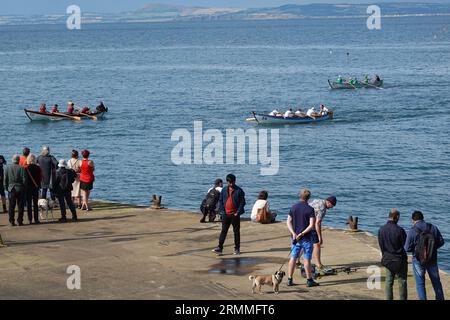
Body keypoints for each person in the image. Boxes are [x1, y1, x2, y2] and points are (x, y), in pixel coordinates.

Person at [404, 211, 445, 300]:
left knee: (420, 284)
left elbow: (406, 248)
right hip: (432, 259)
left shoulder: (412, 230)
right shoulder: (433, 227)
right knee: (436, 282)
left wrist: (416, 251)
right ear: (423, 218)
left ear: (413, 220)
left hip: (418, 260)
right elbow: (441, 241)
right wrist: (432, 249)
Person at [286, 188, 319, 287]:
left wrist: (294, 233)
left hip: (295, 238)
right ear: (309, 198)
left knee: (293, 257)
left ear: (300, 196)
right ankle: (309, 280)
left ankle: (289, 279)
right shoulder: (310, 209)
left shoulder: (293, 207)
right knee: (307, 259)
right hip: (306, 238)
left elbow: (288, 221)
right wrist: (302, 233)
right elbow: (311, 225)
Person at [212, 174, 246, 255]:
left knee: (236, 232)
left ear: (234, 181)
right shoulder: (224, 190)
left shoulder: (239, 191)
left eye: (232, 182)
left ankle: (237, 249)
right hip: (225, 214)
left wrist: (237, 212)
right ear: (227, 182)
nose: (231, 184)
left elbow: (242, 202)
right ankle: (220, 248)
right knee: (223, 231)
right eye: (229, 182)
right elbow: (221, 201)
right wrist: (222, 211)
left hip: (235, 215)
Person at [378, 209, 408, 300]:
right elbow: (405, 245)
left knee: (389, 281)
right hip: (399, 259)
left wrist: (385, 255)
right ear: (397, 217)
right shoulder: (400, 230)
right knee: (402, 281)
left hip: (387, 258)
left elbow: (381, 245)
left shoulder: (381, 230)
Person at [308, 196, 337, 271]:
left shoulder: (316, 200)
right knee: (317, 244)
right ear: (328, 202)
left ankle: (297, 260)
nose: (332, 208)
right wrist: (320, 237)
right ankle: (318, 264)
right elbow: (317, 223)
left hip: (303, 222)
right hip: (311, 225)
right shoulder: (322, 208)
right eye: (332, 205)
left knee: (305, 242)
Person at [4, 155, 25, 226]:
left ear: (12, 160)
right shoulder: (22, 168)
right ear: (19, 160)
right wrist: (24, 187)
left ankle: (11, 221)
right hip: (20, 189)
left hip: (11, 189)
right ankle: (20, 221)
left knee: (11, 206)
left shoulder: (7, 168)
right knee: (20, 206)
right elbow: (24, 180)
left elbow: (5, 179)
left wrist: (6, 188)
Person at [24, 154, 43, 224]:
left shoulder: (26, 168)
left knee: (29, 204)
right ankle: (36, 219)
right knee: (35, 204)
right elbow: (41, 178)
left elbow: (24, 179)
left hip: (28, 188)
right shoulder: (38, 168)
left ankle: (30, 219)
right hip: (36, 187)